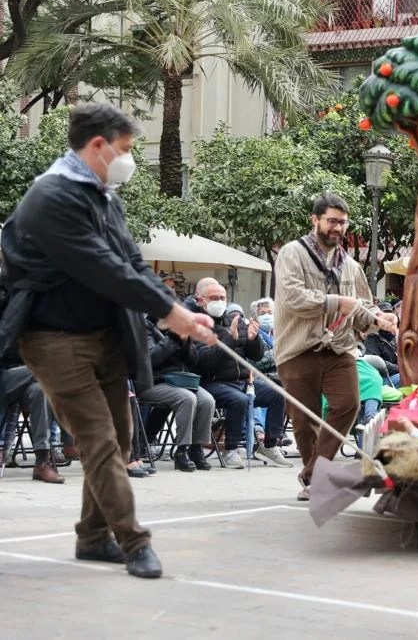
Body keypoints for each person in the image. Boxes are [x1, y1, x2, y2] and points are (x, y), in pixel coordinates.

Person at [0, 103, 216, 579]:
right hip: (54, 339)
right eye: (124, 149)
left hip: (106, 337)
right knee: (97, 440)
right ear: (97, 145)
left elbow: (133, 264)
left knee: (118, 438)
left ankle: (92, 537)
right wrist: (170, 311)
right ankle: (133, 541)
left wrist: (181, 314)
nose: (128, 159)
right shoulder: (51, 196)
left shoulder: (106, 196)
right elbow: (102, 266)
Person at [274, 193, 397, 501]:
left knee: (348, 404)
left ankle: (315, 475)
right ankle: (315, 478)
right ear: (314, 220)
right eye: (331, 221)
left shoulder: (350, 265)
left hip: (339, 349)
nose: (337, 228)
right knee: (304, 421)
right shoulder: (292, 253)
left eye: (342, 222)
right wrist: (337, 302)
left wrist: (379, 317)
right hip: (298, 349)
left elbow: (361, 306)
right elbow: (293, 298)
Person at [195, 293, 289, 470]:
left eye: (223, 297)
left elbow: (256, 355)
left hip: (243, 381)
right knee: (239, 399)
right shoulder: (200, 326)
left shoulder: (238, 322)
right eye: (214, 297)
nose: (220, 301)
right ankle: (231, 449)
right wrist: (230, 338)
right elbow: (206, 362)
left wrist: (254, 340)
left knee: (278, 393)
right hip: (214, 381)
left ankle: (269, 445)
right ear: (201, 299)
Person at [137, 315, 215, 472]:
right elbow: (151, 359)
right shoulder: (145, 327)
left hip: (180, 381)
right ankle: (181, 451)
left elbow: (194, 362)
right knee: (186, 398)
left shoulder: (178, 326)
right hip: (153, 382)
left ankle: (196, 448)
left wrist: (185, 343)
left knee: (207, 400)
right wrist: (173, 339)